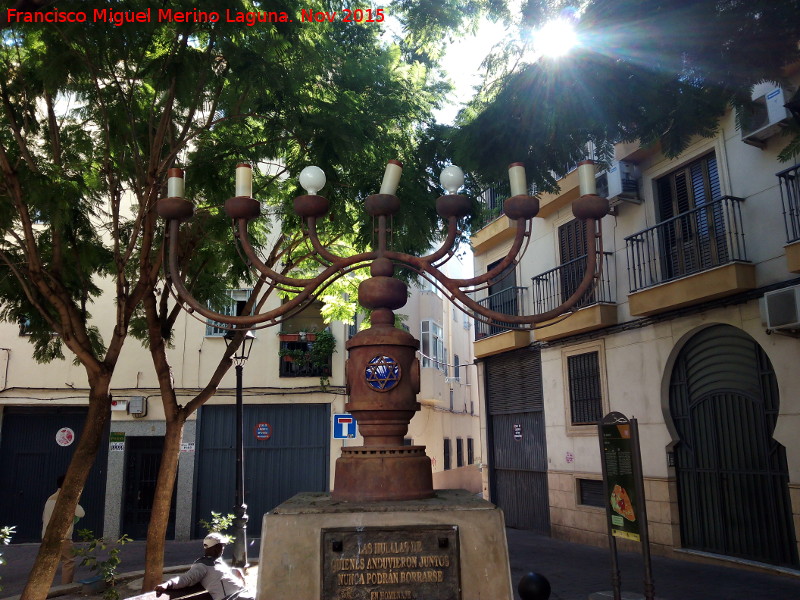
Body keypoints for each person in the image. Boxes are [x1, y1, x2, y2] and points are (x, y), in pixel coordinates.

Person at [156, 533, 254, 600]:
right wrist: (167, 584)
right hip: (232, 597)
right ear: (216, 548)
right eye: (222, 546)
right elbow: (186, 579)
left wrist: (233, 571)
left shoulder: (217, 561)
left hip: (242, 594)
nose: (223, 548)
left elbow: (220, 577)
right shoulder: (202, 565)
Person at [42, 474, 85, 585]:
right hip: (63, 537)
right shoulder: (67, 498)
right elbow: (81, 513)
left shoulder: (50, 498)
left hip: (47, 536)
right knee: (68, 561)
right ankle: (65, 587)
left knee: (49, 563)